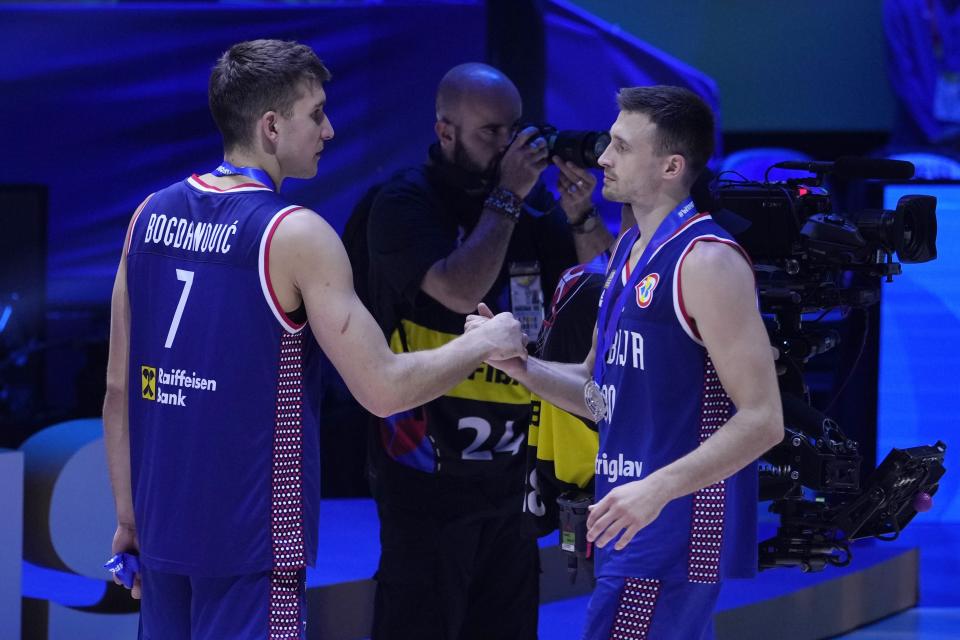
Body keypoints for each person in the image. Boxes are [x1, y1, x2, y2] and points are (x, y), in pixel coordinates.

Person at [101, 39, 527, 640]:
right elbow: (382, 389)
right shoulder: (294, 233)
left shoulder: (147, 216)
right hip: (255, 546)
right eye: (317, 114)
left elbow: (119, 390)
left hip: (161, 534)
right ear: (271, 126)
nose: (328, 130)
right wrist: (483, 343)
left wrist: (127, 517)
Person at [466, 85, 783, 639]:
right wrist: (521, 366)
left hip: (673, 527)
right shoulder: (628, 252)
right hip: (629, 522)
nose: (603, 158)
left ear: (670, 166)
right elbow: (596, 388)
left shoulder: (706, 260)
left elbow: (762, 420)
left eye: (620, 146)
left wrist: (657, 489)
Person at [363, 62, 613, 640]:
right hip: (427, 474)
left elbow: (597, 286)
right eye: (490, 133)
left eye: (515, 130)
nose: (508, 145)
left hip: (515, 478)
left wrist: (579, 213)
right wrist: (506, 197)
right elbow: (459, 289)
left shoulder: (530, 207)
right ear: (445, 131)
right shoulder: (404, 202)